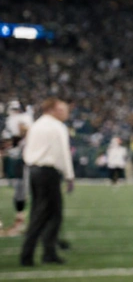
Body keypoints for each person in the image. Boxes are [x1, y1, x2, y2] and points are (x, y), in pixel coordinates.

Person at [20, 98, 74, 266]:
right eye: (62, 110)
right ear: (52, 110)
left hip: (34, 171)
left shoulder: (36, 125)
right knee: (49, 214)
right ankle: (31, 254)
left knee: (39, 211)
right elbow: (64, 153)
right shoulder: (57, 127)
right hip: (48, 172)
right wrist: (69, 176)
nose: (66, 113)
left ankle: (47, 252)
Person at [3, 100, 33, 236]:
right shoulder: (9, 123)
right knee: (20, 190)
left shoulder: (23, 121)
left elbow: (24, 131)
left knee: (23, 190)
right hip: (20, 159)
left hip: (27, 160)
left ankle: (23, 221)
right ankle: (21, 219)